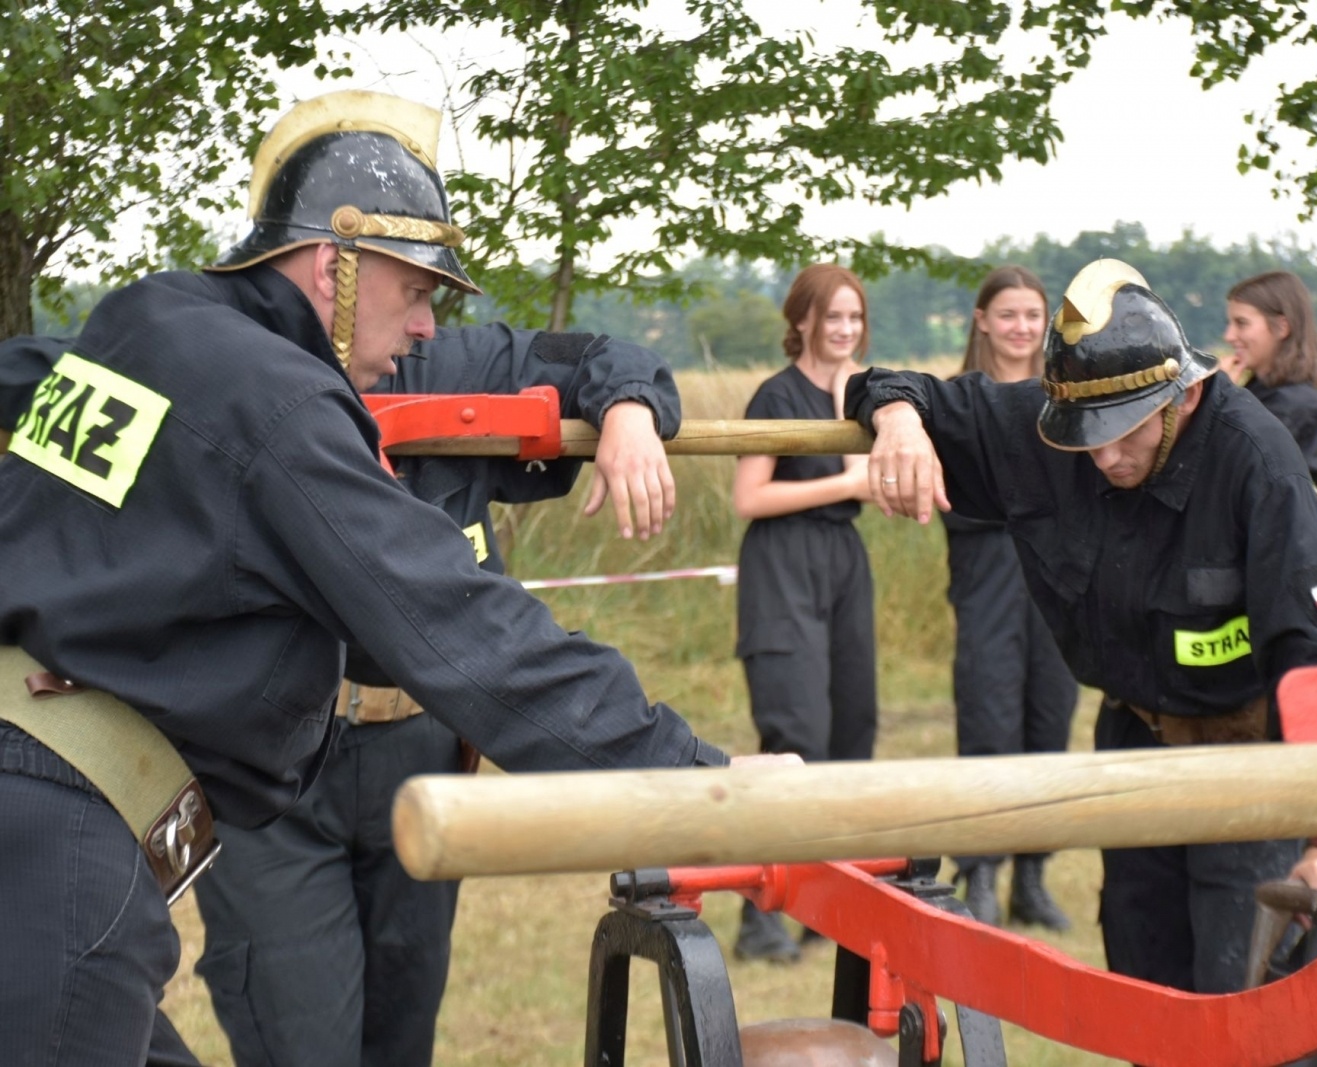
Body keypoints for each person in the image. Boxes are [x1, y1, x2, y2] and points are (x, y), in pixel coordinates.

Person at [0, 89, 777, 1065]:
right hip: (62, 830)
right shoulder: (277, 405)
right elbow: (459, 627)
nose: (423, 326)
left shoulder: (145, 322)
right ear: (336, 264)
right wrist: (693, 783)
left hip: (62, 808)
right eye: (414, 289)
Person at [845, 259, 1317, 994]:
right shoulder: (1050, 426)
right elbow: (888, 385)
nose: (1105, 455)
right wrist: (898, 421)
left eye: (1125, 433)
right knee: (1142, 978)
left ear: (1184, 393)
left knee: (1239, 989)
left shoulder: (1260, 461)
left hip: (1248, 758)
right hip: (1133, 744)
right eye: (1085, 434)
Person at [729, 263, 877, 962]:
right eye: (833, 317)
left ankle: (829, 907)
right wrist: (850, 479)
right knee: (795, 740)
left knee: (853, 734)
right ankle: (758, 919)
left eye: (855, 317)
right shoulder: (775, 396)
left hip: (845, 563)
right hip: (782, 566)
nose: (845, 329)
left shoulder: (865, 395)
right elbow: (749, 497)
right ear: (804, 322)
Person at [942, 266, 1079, 930]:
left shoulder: (1068, 396)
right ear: (982, 321)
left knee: (1049, 715)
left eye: (1032, 315)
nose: (1021, 327)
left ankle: (1033, 873)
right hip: (987, 568)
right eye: (1007, 315)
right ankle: (984, 872)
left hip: (1056, 574)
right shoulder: (956, 400)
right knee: (990, 713)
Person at [1223, 270, 1317, 547]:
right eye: (1229, 323)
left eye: (1241, 323)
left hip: (1297, 553)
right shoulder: (1261, 394)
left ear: (1281, 328)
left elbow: (1232, 466)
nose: (1229, 335)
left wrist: (1220, 397)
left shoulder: (1296, 405)